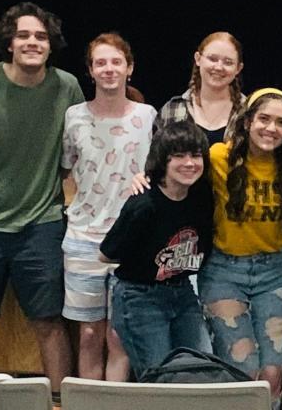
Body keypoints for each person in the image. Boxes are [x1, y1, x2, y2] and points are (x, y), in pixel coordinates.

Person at [0, 2, 81, 404]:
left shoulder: (67, 86)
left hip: (41, 226)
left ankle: (59, 401)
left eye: (40, 36)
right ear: (9, 41)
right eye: (23, 35)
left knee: (49, 323)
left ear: (51, 44)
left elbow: (74, 151)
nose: (32, 42)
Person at [200, 88, 282, 397]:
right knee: (245, 371)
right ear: (247, 121)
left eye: (280, 122)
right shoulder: (218, 157)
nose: (271, 128)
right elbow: (175, 174)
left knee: (274, 373)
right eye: (264, 119)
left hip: (273, 271)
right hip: (224, 271)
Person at [61, 33, 156, 381]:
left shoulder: (147, 116)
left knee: (118, 337)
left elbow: (157, 172)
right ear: (90, 70)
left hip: (131, 241)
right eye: (100, 62)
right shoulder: (75, 117)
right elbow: (66, 167)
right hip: (84, 237)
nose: (109, 68)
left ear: (129, 68)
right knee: (88, 335)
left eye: (116, 61)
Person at [99, 122, 214, 376]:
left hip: (183, 292)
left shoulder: (202, 195)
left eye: (196, 155)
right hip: (140, 296)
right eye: (179, 155)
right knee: (160, 379)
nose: (189, 163)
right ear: (163, 159)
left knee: (203, 370)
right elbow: (105, 253)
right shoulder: (143, 204)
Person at [157, 32, 245, 146]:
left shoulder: (248, 112)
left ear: (238, 68)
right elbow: (158, 160)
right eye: (212, 59)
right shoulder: (172, 109)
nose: (219, 67)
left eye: (228, 62)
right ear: (198, 59)